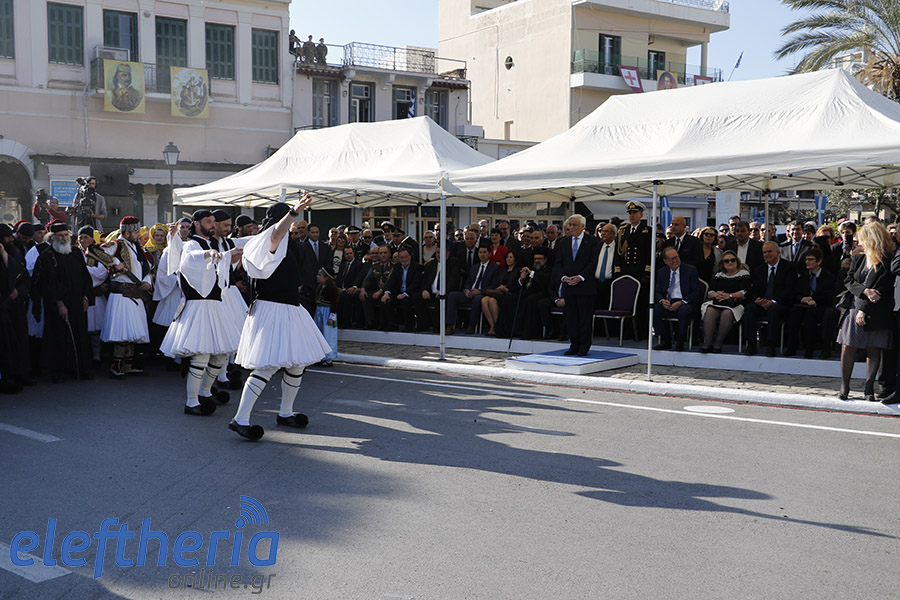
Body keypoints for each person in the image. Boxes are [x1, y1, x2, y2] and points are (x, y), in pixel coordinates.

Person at [229, 198, 332, 441]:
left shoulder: (285, 242)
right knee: (267, 366)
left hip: (289, 308)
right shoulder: (268, 239)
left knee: (296, 364)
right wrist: (293, 212)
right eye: (288, 219)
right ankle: (240, 418)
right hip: (272, 308)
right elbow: (275, 234)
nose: (292, 224)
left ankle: (286, 412)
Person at [160, 210, 244, 416]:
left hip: (215, 304)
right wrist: (208, 254)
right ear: (197, 223)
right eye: (208, 221)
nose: (213, 224)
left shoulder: (211, 243)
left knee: (222, 353)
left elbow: (221, 267)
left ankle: (205, 392)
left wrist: (232, 255)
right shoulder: (192, 243)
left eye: (214, 221)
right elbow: (189, 259)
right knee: (201, 355)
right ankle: (191, 402)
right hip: (199, 305)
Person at [837, 222, 895, 401]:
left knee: (873, 347)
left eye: (862, 239)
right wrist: (864, 291)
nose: (858, 242)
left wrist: (864, 308)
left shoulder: (887, 259)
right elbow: (849, 280)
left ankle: (869, 387)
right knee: (848, 346)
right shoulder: (859, 258)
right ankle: (845, 386)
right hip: (855, 306)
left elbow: (881, 288)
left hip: (877, 310)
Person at [32, 220, 92, 382]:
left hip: (77, 303)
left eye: (66, 235)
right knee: (58, 337)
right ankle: (58, 371)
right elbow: (47, 285)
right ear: (52, 238)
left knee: (79, 334)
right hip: (58, 305)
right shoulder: (47, 257)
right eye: (60, 236)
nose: (64, 239)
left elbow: (85, 277)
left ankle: (79, 369)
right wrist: (59, 304)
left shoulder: (76, 253)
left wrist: (86, 297)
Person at [100, 216, 151, 376]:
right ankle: (116, 365)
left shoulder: (136, 246)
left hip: (135, 293)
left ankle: (127, 365)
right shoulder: (117, 244)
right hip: (121, 295)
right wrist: (114, 265)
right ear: (127, 232)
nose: (138, 234)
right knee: (123, 332)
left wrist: (147, 281)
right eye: (136, 232)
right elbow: (96, 251)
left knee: (132, 333)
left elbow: (146, 268)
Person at [555, 214, 600, 356]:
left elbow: (593, 262)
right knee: (571, 318)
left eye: (575, 225)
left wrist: (580, 277)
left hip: (585, 286)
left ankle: (584, 347)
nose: (572, 227)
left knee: (584, 318)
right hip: (568, 286)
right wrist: (564, 277)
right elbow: (558, 263)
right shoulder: (563, 242)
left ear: (582, 226)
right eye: (570, 225)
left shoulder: (592, 241)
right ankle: (574, 344)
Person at [742, 241, 797, 357]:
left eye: (769, 251)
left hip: (781, 303)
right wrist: (757, 299)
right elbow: (755, 289)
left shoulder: (789, 267)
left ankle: (771, 345)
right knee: (750, 308)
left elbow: (789, 289)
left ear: (778, 252)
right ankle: (751, 344)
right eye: (764, 252)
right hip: (763, 303)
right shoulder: (759, 269)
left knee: (774, 310)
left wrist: (773, 301)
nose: (767, 254)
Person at [785, 246, 836, 358]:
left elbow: (829, 295)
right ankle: (791, 347)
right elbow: (796, 292)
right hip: (804, 305)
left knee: (810, 315)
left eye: (810, 259)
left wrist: (815, 300)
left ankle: (810, 349)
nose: (807, 262)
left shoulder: (829, 277)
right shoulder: (803, 277)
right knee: (793, 313)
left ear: (819, 261)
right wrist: (802, 298)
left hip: (821, 306)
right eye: (806, 259)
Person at [653, 247, 703, 351]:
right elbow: (658, 291)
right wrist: (662, 300)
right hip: (669, 300)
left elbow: (696, 292)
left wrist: (682, 302)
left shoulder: (690, 270)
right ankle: (665, 339)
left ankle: (680, 340)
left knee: (683, 310)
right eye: (671, 259)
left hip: (685, 301)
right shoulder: (662, 272)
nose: (675, 260)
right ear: (665, 261)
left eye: (676, 257)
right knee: (655, 309)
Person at [699, 250, 750, 353]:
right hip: (719, 301)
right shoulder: (719, 275)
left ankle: (718, 343)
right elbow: (710, 292)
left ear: (737, 261)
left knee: (727, 313)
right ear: (722, 263)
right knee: (710, 311)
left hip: (735, 303)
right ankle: (708, 342)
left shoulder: (744, 274)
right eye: (726, 261)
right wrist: (717, 295)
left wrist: (729, 295)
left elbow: (744, 292)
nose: (730, 262)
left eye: (732, 260)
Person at [446, 245, 499, 335]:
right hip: (470, 292)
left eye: (484, 252)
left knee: (477, 299)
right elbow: (468, 282)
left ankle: (471, 325)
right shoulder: (474, 267)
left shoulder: (494, 268)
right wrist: (466, 290)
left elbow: (493, 285)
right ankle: (450, 325)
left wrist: (480, 291)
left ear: (489, 254)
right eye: (480, 252)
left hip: (482, 293)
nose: (482, 255)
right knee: (452, 295)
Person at [380, 247, 422, 331]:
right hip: (399, 292)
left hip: (411, 292)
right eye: (402, 257)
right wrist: (387, 292)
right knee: (386, 300)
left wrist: (405, 294)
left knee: (406, 301)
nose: (404, 259)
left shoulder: (417, 267)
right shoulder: (396, 267)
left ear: (410, 256)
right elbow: (391, 281)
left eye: (406, 257)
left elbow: (415, 283)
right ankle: (391, 325)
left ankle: (408, 326)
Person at [482, 250, 521, 337]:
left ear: (515, 259)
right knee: (484, 300)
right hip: (499, 292)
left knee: (492, 300)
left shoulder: (518, 271)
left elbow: (516, 286)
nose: (508, 259)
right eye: (507, 257)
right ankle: (492, 326)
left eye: (511, 257)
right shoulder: (502, 270)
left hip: (510, 294)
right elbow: (497, 282)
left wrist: (506, 289)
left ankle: (498, 327)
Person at [314, 268, 338, 367]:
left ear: (326, 277)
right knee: (319, 334)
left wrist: (332, 317)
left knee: (328, 334)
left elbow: (335, 303)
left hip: (327, 312)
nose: (317, 277)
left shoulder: (332, 289)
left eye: (320, 275)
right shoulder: (320, 287)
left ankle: (328, 358)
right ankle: (320, 356)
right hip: (319, 311)